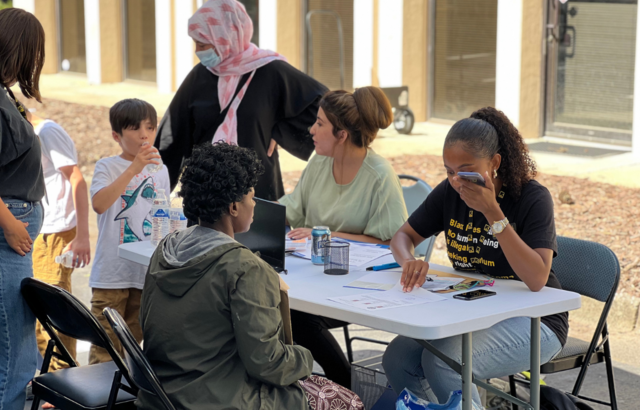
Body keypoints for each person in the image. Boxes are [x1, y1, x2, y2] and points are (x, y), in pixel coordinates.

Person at [139, 142, 363, 410]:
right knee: (349, 401)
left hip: (160, 394)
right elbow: (267, 364)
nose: (254, 204)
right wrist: (306, 357)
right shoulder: (244, 268)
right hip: (220, 399)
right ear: (234, 207)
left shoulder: (165, 249)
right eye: (251, 197)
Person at [382, 107, 568, 406]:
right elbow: (403, 237)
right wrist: (409, 261)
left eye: (466, 171)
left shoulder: (532, 197)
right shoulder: (450, 193)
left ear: (494, 163)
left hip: (537, 320)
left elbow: (536, 279)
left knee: (445, 363)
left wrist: (493, 213)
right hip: (474, 312)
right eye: (449, 171)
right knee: (398, 357)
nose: (457, 181)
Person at [280, 87, 409, 387]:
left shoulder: (379, 175)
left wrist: (326, 235)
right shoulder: (318, 162)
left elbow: (392, 242)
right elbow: (292, 209)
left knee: (296, 316)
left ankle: (346, 387)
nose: (311, 130)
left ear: (342, 135)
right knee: (274, 304)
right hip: (313, 277)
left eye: (320, 123)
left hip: (357, 286)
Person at [155, 0, 327, 201]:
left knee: (256, 233)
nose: (197, 51)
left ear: (227, 36)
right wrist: (155, 193)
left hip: (257, 193)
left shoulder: (270, 71)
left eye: (203, 44)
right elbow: (173, 137)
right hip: (206, 195)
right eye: (196, 44)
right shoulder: (199, 76)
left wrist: (280, 129)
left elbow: (324, 104)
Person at [88, 98, 170, 364]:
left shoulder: (161, 170)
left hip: (143, 275)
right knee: (105, 350)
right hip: (111, 275)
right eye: (135, 128)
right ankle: (99, 402)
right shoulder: (107, 166)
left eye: (150, 127)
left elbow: (163, 218)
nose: (144, 134)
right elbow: (99, 204)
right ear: (117, 135)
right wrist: (134, 167)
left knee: (132, 351)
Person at [0, 8, 46, 410]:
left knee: (14, 345)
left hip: (14, 226)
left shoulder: (5, 94)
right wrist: (11, 223)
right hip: (7, 233)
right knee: (15, 353)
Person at [27, 110, 91, 371]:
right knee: (36, 312)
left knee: (52, 312)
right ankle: (50, 377)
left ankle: (63, 378)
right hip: (38, 231)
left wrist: (83, 235)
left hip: (55, 232)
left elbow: (77, 179)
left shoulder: (47, 131)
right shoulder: (31, 135)